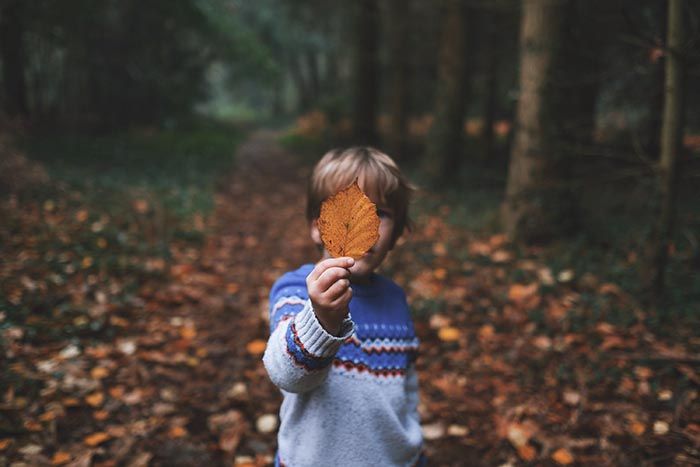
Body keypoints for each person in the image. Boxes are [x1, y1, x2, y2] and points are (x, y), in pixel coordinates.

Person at [263, 147, 424, 466]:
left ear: (396, 235)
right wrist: (321, 319)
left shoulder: (395, 299)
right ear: (316, 226)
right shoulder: (297, 291)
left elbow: (407, 391)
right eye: (343, 210)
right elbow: (288, 375)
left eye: (381, 213)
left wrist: (413, 449)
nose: (363, 224)